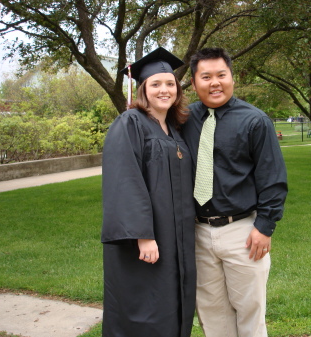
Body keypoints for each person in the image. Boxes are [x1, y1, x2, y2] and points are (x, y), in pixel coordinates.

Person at [182, 48, 288, 337]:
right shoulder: (183, 118)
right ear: (194, 83)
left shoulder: (255, 121)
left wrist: (264, 227)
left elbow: (273, 179)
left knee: (250, 314)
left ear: (232, 78)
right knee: (212, 316)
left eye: (221, 75)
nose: (214, 82)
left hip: (243, 232)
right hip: (199, 234)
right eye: (206, 77)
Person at [101, 47, 196, 337]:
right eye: (156, 84)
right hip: (146, 241)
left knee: (172, 302)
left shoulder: (175, 129)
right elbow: (124, 181)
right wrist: (144, 236)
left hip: (175, 237)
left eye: (170, 84)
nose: (164, 90)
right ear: (143, 89)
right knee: (146, 307)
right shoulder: (130, 123)